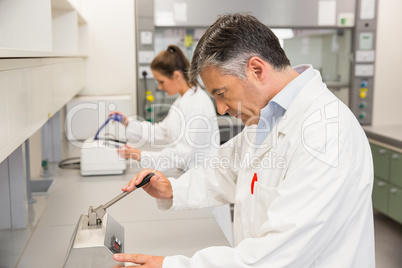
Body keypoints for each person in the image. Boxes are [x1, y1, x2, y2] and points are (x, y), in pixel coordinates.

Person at [113, 13, 375, 267]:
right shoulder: (266, 117)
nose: (221, 109)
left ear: (257, 70)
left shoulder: (326, 133)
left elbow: (277, 254)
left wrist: (169, 266)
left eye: (222, 93)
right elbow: (224, 171)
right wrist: (173, 189)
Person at [111, 44, 220, 172]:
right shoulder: (183, 100)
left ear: (177, 75)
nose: (160, 87)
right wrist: (127, 123)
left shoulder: (197, 103)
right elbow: (163, 131)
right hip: (189, 173)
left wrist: (140, 155)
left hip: (202, 176)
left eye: (161, 81)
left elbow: (183, 154)